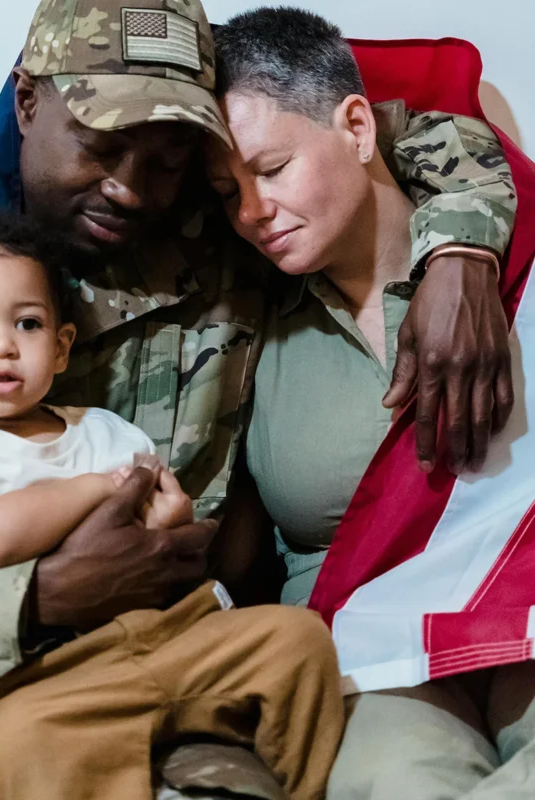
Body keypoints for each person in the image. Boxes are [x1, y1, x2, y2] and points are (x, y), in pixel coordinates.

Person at [0, 0, 518, 796]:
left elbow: (417, 137)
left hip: (156, 659)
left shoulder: (223, 212)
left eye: (168, 155)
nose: (131, 187)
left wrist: (459, 248)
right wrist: (29, 601)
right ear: (28, 98)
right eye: (102, 143)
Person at [0, 206, 342, 800]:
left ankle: (303, 787)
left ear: (61, 346)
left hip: (176, 633)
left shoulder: (104, 430)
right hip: (53, 671)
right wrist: (103, 489)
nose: (1, 346)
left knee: (298, 640)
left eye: (27, 324)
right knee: (19, 742)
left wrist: (171, 519)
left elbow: (162, 527)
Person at [207, 7, 535, 799]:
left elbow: (476, 110)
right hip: (370, 657)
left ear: (356, 127)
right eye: (226, 191)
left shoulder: (508, 248)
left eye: (273, 167)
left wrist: (463, 252)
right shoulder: (237, 328)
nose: (251, 211)